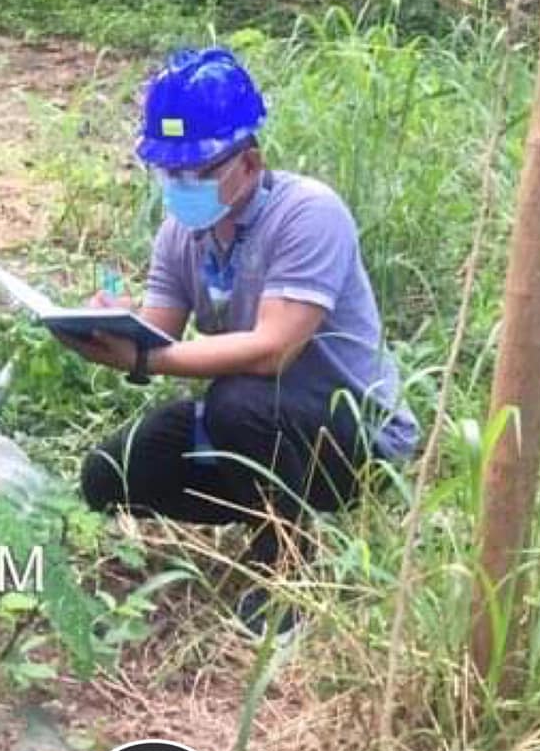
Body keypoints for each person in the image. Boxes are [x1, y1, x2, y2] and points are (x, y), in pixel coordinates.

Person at [64, 47, 419, 635]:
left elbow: (274, 350)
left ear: (249, 163)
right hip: (260, 428)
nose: (180, 186)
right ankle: (264, 508)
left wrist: (148, 357)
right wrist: (107, 325)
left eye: (198, 173)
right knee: (110, 472)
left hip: (353, 435)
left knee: (236, 400)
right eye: (167, 172)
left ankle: (288, 561)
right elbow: (160, 330)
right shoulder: (183, 233)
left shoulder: (310, 215)